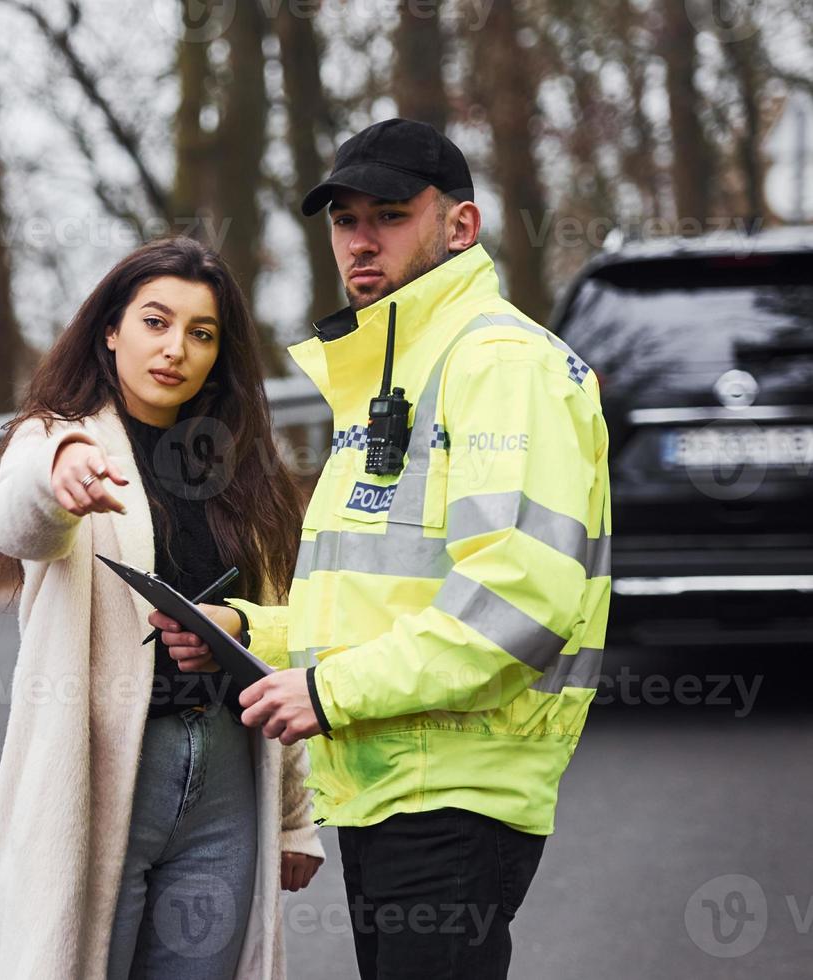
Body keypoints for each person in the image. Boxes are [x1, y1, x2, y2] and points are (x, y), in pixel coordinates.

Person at [163, 118, 613, 979]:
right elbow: (377, 600)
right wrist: (249, 633)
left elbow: (517, 607)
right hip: (390, 784)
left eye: (390, 215)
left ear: (460, 226)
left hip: (456, 791)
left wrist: (326, 693)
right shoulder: (393, 374)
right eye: (344, 220)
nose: (360, 242)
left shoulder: (500, 364)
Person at [0, 236, 325, 979]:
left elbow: (278, 644)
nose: (175, 349)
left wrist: (296, 818)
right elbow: (14, 522)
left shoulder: (240, 473)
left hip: (228, 780)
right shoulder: (56, 441)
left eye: (201, 334)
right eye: (155, 322)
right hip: (105, 776)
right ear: (111, 329)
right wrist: (60, 467)